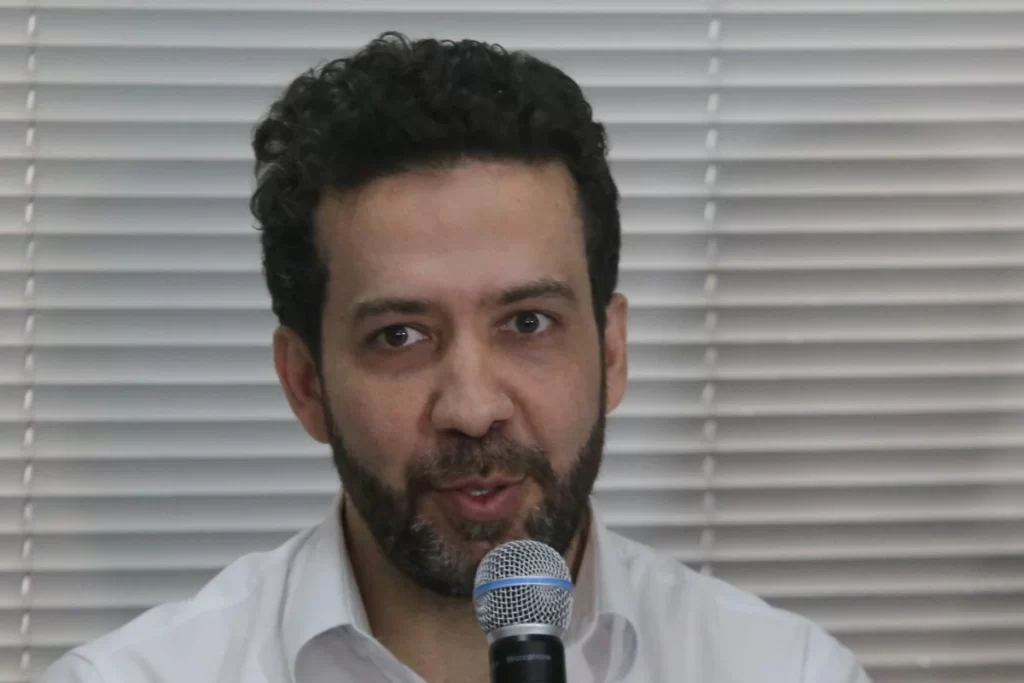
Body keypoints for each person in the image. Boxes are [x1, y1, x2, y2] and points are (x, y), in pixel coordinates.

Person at [39, 31, 870, 683]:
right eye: (400, 335)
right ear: (306, 383)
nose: (473, 408)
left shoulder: (783, 670)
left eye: (528, 322)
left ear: (611, 350)